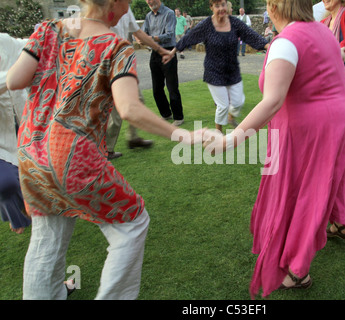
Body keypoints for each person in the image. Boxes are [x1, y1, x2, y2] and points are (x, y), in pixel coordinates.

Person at [6, 0, 205, 299]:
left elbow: (14, 80)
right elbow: (129, 109)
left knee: (47, 237)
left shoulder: (48, 30)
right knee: (133, 222)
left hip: (31, 153)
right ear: (114, 3)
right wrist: (183, 136)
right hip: (72, 156)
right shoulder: (115, 46)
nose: (128, 7)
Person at [203, 0, 345, 298]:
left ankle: (297, 273)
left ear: (273, 7)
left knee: (302, 194)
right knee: (328, 181)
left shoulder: (287, 42)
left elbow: (272, 101)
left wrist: (230, 139)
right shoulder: (321, 30)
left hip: (320, 128)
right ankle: (336, 224)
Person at [166, 0, 269, 133]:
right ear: (211, 7)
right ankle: (218, 132)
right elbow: (189, 37)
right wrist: (172, 52)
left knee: (238, 103)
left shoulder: (235, 23)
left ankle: (231, 118)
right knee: (223, 105)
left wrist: (268, 46)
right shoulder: (207, 25)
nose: (221, 8)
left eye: (223, 5)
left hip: (232, 71)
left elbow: (251, 35)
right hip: (214, 71)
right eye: (217, 6)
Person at [107, 6, 167, 160]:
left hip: (121, 63)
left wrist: (159, 50)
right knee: (117, 111)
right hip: (107, 63)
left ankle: (132, 138)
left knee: (137, 101)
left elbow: (138, 33)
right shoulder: (103, 7)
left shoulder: (126, 8)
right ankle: (106, 149)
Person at [0, 33, 31, 234]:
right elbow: (11, 79)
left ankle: (23, 210)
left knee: (32, 170)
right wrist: (21, 69)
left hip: (21, 120)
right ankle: (15, 213)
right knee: (6, 182)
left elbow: (30, 44)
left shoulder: (4, 41)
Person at [142, 0, 185, 126]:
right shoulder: (148, 16)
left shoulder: (169, 13)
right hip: (154, 53)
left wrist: (151, 38)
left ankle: (178, 117)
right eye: (147, 0)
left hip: (168, 51)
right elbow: (143, 32)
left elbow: (169, 34)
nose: (149, 1)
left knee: (172, 87)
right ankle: (166, 113)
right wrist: (141, 39)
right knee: (156, 88)